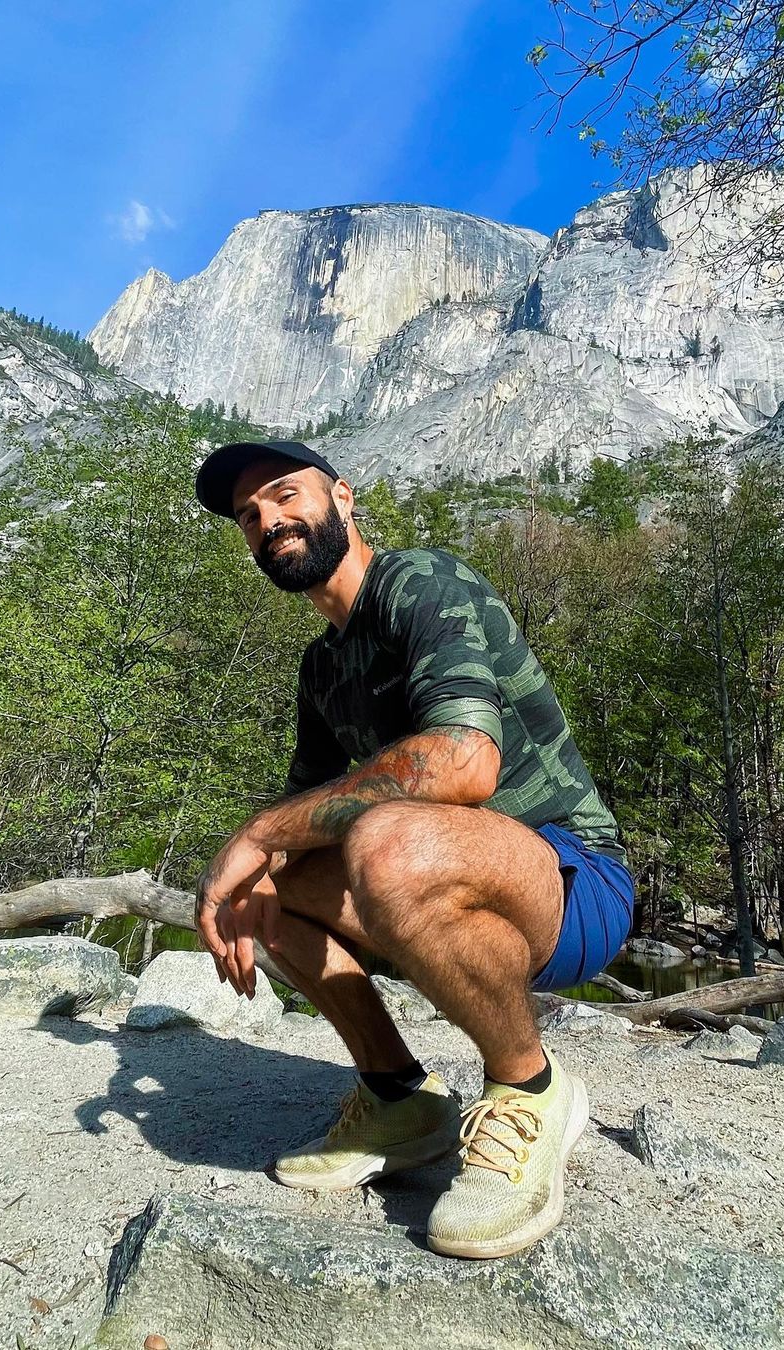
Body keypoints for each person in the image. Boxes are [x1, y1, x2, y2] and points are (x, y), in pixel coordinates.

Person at [193, 439, 633, 1260]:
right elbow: (301, 817)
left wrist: (258, 835)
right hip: (434, 884)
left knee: (380, 839)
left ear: (343, 498)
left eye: (285, 495)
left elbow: (467, 760)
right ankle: (399, 1097)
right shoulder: (321, 668)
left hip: (573, 882)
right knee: (270, 879)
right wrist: (255, 868)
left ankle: (531, 1089)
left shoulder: (421, 583)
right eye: (248, 517)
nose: (268, 521)